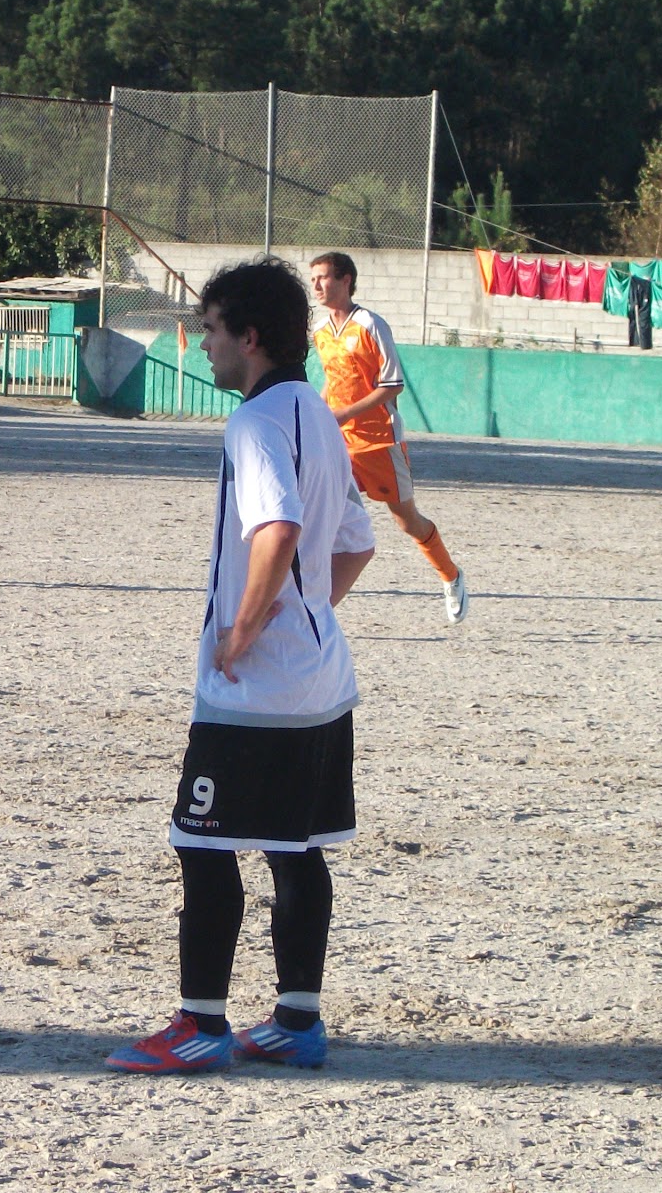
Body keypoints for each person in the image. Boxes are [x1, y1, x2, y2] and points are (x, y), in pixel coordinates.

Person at [106, 258, 376, 1076]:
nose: (205, 346)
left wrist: (244, 633)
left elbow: (279, 531)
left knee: (200, 843)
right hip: (320, 679)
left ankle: (200, 1024)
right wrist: (305, 614)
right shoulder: (320, 416)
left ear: (250, 337)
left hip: (256, 692)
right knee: (296, 848)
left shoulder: (255, 423)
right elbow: (356, 544)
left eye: (213, 330)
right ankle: (297, 1019)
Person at [308, 251, 469, 624]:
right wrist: (319, 412)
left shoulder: (370, 324)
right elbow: (333, 380)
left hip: (379, 441)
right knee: (323, 512)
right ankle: (312, 605)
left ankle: (451, 575)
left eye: (323, 277)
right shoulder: (320, 330)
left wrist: (345, 413)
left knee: (407, 521)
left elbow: (392, 385)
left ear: (345, 280)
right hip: (340, 443)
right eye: (312, 278)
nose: (316, 285)